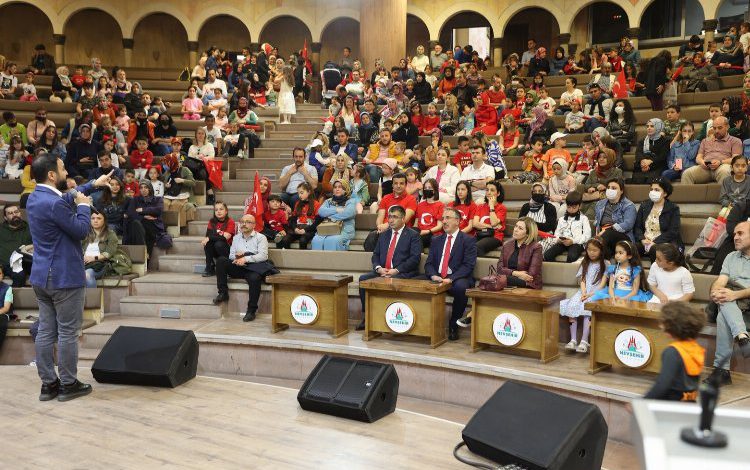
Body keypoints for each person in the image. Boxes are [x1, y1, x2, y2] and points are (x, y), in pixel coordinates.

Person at [27, 153, 114, 401]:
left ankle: (49, 385)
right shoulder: (54, 204)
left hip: (42, 276)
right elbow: (79, 230)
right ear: (52, 174)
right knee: (67, 332)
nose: (67, 173)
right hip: (63, 276)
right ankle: (68, 383)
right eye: (63, 169)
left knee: (45, 331)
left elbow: (65, 196)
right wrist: (85, 206)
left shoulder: (35, 197)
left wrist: (92, 185)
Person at [355, 205, 422, 330]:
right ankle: (366, 317)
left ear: (403, 219)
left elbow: (415, 258)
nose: (390, 220)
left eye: (395, 217)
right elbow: (375, 255)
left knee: (394, 280)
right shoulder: (384, 235)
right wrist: (379, 268)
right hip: (383, 271)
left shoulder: (413, 235)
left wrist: (396, 270)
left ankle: (393, 319)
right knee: (363, 279)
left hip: (402, 272)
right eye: (389, 217)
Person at [705, 221, 750, 386]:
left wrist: (735, 294)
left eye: (740, 233)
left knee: (723, 313)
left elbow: (732, 293)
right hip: (732, 308)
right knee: (724, 305)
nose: (735, 237)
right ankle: (743, 337)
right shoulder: (731, 256)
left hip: (748, 308)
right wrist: (717, 291)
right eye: (734, 234)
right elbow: (721, 281)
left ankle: (721, 371)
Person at [423, 207, 477, 341]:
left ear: (458, 221)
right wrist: (433, 275)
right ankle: (423, 324)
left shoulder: (468, 240)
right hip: (437, 277)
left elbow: (468, 266)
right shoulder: (436, 240)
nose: (444, 221)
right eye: (443, 218)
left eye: (448, 218)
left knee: (461, 287)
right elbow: (428, 264)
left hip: (457, 278)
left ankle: (454, 324)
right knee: (415, 282)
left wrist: (451, 278)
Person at [212, 214, 277, 322]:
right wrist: (238, 258)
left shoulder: (261, 238)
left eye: (247, 222)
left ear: (254, 225)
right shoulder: (236, 238)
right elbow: (231, 255)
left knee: (255, 279)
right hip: (239, 266)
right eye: (242, 222)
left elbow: (263, 256)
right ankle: (223, 292)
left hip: (254, 267)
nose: (244, 224)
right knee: (221, 261)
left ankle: (251, 310)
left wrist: (245, 258)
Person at [644, 302, 706, 401]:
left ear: (672, 326)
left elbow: (662, 385)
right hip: (688, 403)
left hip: (670, 406)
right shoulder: (696, 348)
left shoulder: (672, 352)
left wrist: (641, 403)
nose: (660, 326)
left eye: (663, 322)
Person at [559, 238, 608, 353]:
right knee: (572, 306)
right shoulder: (585, 262)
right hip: (584, 292)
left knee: (587, 309)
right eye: (589, 250)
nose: (591, 253)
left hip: (597, 293)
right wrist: (584, 292)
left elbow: (602, 284)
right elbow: (582, 280)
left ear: (601, 251)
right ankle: (573, 339)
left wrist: (590, 294)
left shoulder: (606, 264)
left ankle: (584, 340)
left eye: (595, 250)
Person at [363, 172, 417, 252]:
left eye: (401, 183)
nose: (398, 186)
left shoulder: (411, 199)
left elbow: (404, 219)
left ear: (406, 185)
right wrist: (380, 227)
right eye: (396, 183)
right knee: (372, 237)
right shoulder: (386, 198)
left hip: (401, 231)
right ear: (392, 185)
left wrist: (387, 226)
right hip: (384, 230)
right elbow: (380, 217)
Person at [681, 117, 740, 185]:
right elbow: (698, 157)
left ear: (727, 127)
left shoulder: (735, 141)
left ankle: (723, 196)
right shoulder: (705, 141)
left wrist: (720, 162)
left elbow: (736, 159)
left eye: (720, 128)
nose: (716, 131)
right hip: (705, 168)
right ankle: (689, 196)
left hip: (723, 166)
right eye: (714, 128)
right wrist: (702, 162)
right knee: (687, 174)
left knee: (725, 171)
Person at [127, 180, 172, 259]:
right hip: (141, 227)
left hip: (154, 226)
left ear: (150, 189)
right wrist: (143, 217)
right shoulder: (135, 199)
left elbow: (158, 210)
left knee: (144, 225)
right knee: (137, 224)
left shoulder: (158, 199)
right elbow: (130, 213)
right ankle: (145, 253)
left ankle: (144, 254)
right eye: (141, 188)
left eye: (146, 187)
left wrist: (142, 210)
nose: (143, 190)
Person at [496, 218, 543, 289]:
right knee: (498, 279)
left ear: (528, 233)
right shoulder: (507, 245)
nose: (515, 230)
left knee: (498, 279)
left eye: (520, 228)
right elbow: (499, 268)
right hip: (508, 282)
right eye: (516, 226)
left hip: (528, 284)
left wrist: (509, 275)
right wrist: (516, 273)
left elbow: (531, 276)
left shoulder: (536, 247)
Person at [544, 192, 591, 263]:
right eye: (569, 207)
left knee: (572, 256)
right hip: (562, 243)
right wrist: (558, 240)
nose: (571, 209)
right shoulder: (561, 219)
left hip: (577, 243)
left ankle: (567, 272)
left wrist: (572, 241)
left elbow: (587, 236)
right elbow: (556, 234)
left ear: (580, 206)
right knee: (547, 255)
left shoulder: (584, 219)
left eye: (574, 207)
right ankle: (557, 271)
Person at [311, 180, 357, 251]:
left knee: (333, 240)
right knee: (316, 240)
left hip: (344, 229)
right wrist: (336, 210)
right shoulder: (328, 201)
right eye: (335, 187)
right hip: (327, 228)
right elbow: (321, 211)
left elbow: (348, 213)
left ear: (345, 189)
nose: (337, 189)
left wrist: (329, 216)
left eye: (340, 187)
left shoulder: (350, 201)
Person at [276, 183, 319, 250]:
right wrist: (295, 228)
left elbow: (317, 222)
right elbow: (293, 219)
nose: (299, 195)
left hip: (309, 230)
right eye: (298, 193)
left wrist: (305, 230)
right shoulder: (297, 203)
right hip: (298, 229)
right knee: (285, 240)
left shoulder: (316, 204)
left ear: (309, 192)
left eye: (301, 193)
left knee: (303, 240)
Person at [81, 210, 118, 288]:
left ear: (104, 220)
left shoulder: (110, 234)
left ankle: (92, 299)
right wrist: (82, 257)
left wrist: (94, 258)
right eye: (93, 218)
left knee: (87, 273)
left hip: (100, 264)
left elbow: (109, 253)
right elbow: (77, 248)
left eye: (99, 218)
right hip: (83, 264)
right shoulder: (85, 233)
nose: (95, 221)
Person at [0, 204, 33, 286]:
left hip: (28, 262)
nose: (14, 215)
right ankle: (9, 298)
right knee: (19, 274)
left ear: (20, 213)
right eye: (10, 213)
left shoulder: (30, 228)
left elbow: (41, 242)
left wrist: (31, 246)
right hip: (8, 264)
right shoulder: (1, 230)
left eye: (16, 212)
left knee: (45, 270)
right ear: (5, 217)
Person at [472, 181, 507, 256]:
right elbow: (475, 224)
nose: (489, 192)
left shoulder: (502, 208)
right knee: (463, 244)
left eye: (492, 190)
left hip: (495, 236)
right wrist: (491, 226)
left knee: (477, 247)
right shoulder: (480, 206)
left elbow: (494, 222)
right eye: (487, 190)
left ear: (498, 193)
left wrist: (491, 206)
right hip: (480, 234)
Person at [201, 202, 235, 277]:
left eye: (221, 209)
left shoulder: (230, 222)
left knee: (218, 243)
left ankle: (227, 266)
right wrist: (220, 234)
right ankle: (210, 266)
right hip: (215, 249)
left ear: (226, 211)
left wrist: (212, 236)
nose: (218, 211)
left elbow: (226, 237)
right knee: (208, 243)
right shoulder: (212, 221)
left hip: (226, 249)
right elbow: (208, 236)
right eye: (216, 210)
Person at [631, 118, 669, 184]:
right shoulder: (642, 141)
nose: (649, 128)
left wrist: (650, 161)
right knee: (637, 180)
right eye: (647, 126)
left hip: (657, 166)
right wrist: (643, 162)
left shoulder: (665, 141)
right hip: (642, 166)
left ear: (658, 127)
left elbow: (662, 156)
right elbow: (638, 153)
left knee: (651, 181)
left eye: (652, 126)